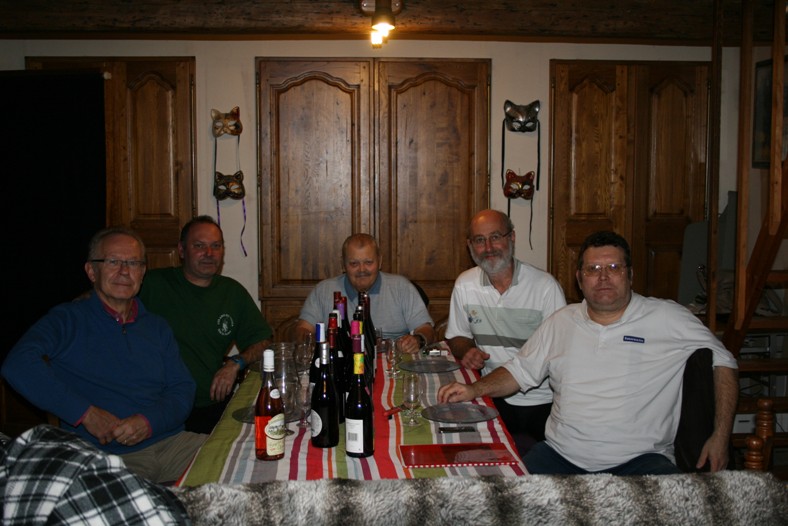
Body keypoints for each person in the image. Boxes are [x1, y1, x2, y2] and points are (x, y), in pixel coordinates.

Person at [438, 230, 738, 475]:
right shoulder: (561, 321)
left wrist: (720, 436)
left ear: (630, 275)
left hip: (641, 461)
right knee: (502, 500)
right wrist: (473, 389)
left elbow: (724, 361)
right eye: (593, 269)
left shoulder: (666, 317)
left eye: (613, 268)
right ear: (579, 279)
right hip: (559, 456)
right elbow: (519, 371)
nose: (603, 277)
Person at [1, 227, 205, 483]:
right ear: (91, 271)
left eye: (133, 263)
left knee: (239, 459)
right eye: (113, 261)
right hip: (107, 455)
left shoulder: (157, 327)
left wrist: (148, 422)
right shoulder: (67, 320)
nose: (124, 271)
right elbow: (18, 364)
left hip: (171, 444)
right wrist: (86, 413)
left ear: (142, 272)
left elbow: (183, 388)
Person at [445, 209, 566, 456]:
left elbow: (561, 354)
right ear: (470, 245)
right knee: (458, 446)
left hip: (542, 400)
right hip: (491, 395)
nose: (488, 247)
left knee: (542, 464)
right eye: (480, 240)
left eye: (495, 237)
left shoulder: (545, 287)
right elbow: (457, 336)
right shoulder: (465, 284)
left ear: (512, 237)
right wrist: (467, 350)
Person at [138, 215, 273, 434]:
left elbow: (263, 342)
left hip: (209, 405)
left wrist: (235, 363)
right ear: (182, 251)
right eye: (199, 246)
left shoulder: (232, 292)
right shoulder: (152, 284)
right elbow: (103, 300)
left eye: (216, 246)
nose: (209, 253)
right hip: (158, 407)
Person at [295, 233, 434, 354]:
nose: (362, 270)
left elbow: (426, 329)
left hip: (392, 362)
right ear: (343, 265)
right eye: (354, 264)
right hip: (341, 364)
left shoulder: (402, 288)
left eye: (368, 262)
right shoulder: (323, 291)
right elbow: (303, 328)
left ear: (380, 262)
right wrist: (308, 340)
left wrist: (418, 340)